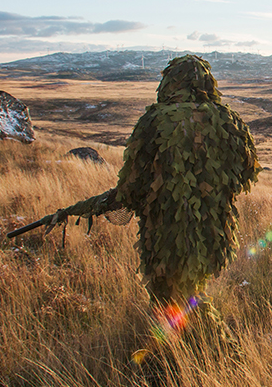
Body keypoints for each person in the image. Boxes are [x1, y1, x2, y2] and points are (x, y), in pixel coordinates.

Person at [52, 55, 260, 313]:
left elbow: (131, 188)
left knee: (170, 302)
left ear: (170, 82)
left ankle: (193, 349)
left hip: (166, 234)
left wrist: (108, 203)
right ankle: (201, 347)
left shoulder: (154, 121)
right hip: (213, 233)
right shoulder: (231, 121)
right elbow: (247, 174)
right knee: (191, 296)